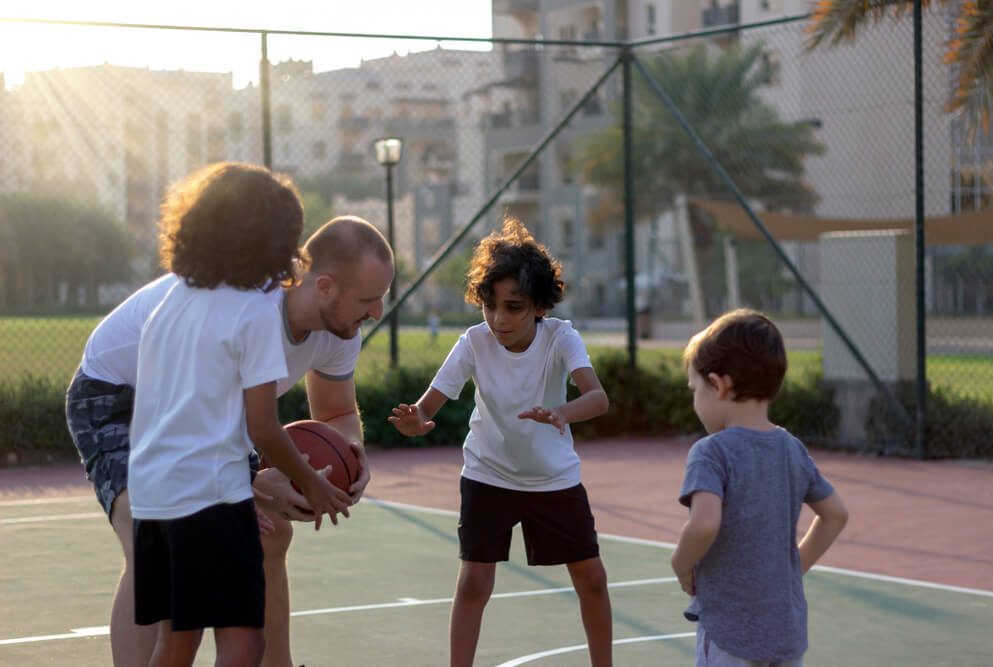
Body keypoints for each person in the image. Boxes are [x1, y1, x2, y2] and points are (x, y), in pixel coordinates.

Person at [65, 206, 394, 667]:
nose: (378, 312)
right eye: (369, 299)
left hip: (206, 411)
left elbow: (337, 413)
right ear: (325, 286)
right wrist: (255, 484)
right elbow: (189, 425)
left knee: (270, 533)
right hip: (120, 395)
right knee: (150, 539)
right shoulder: (243, 308)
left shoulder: (340, 327)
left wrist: (352, 459)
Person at [388, 218, 613, 667]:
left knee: (591, 579)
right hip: (488, 474)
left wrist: (562, 413)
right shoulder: (474, 342)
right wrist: (416, 421)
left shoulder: (560, 338)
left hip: (552, 478)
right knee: (473, 582)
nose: (498, 319)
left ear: (539, 306)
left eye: (513, 307)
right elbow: (427, 406)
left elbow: (598, 398)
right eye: (490, 305)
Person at [671, 309, 849, 666]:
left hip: (729, 633)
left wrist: (681, 564)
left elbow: (705, 524)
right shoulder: (791, 449)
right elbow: (835, 514)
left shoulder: (712, 451)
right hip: (785, 631)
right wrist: (793, 568)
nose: (695, 401)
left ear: (718, 385)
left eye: (695, 389)